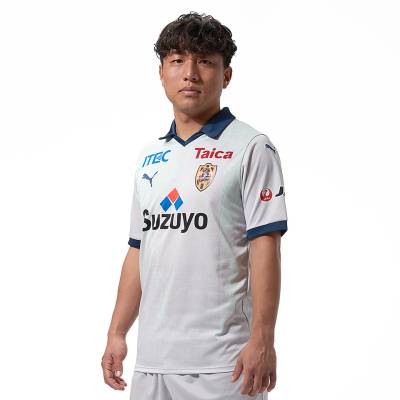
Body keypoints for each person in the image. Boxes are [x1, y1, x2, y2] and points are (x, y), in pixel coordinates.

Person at [101, 11, 288, 400]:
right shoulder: (149, 157)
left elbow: (265, 245)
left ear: (226, 75)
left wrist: (263, 338)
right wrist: (117, 332)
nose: (190, 73)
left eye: (204, 61)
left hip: (224, 364)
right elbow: (138, 249)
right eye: (177, 60)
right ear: (161, 73)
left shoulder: (252, 147)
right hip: (153, 363)